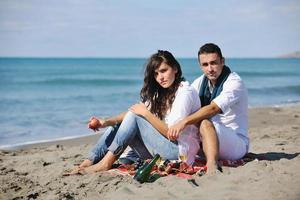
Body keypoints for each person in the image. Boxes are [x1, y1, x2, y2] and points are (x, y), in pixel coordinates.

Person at [65, 50, 201, 175]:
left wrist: (145, 114)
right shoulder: (162, 92)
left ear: (175, 69)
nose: (160, 77)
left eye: (163, 71)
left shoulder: (185, 92)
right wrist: (105, 122)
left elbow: (171, 134)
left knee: (136, 116)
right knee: (122, 122)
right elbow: (133, 112)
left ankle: (105, 163)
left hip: (179, 153)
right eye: (156, 74)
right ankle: (89, 161)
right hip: (161, 150)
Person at [167, 43, 249, 175]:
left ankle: (211, 166)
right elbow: (186, 101)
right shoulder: (200, 82)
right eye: (205, 65)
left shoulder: (234, 82)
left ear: (222, 61)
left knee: (202, 122)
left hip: (236, 143)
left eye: (214, 63)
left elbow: (213, 108)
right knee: (186, 122)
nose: (210, 69)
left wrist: (184, 122)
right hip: (208, 137)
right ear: (200, 66)